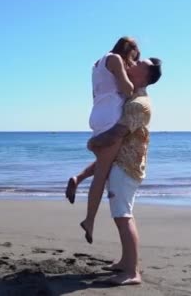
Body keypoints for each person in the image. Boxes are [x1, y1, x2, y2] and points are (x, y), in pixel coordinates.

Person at [88, 57, 162, 285]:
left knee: (123, 217)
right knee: (121, 214)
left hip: (125, 167)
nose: (134, 61)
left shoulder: (139, 104)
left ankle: (132, 272)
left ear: (146, 75)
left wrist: (92, 143)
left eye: (140, 62)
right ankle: (125, 262)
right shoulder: (130, 97)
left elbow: (116, 133)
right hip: (121, 164)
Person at [65, 37, 140, 245]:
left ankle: (78, 179)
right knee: (101, 175)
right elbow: (127, 88)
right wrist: (133, 79)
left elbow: (95, 94)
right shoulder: (115, 59)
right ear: (129, 49)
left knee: (105, 162)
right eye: (134, 55)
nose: (134, 60)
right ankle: (89, 221)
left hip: (98, 115)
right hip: (111, 117)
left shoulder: (96, 64)